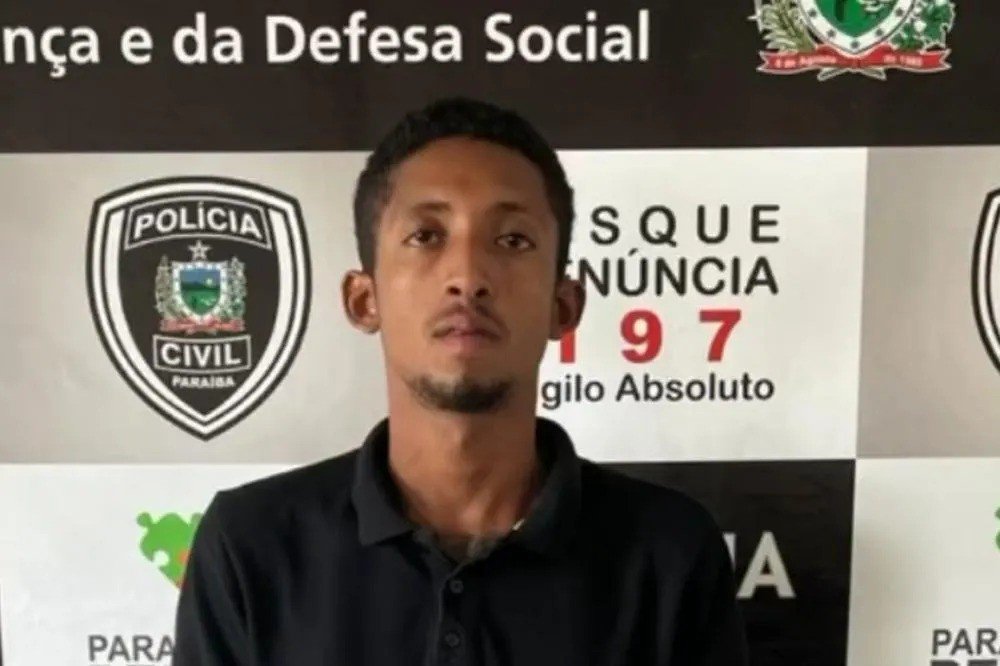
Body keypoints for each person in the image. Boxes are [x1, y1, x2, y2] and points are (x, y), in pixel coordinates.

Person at [172, 97, 749, 665]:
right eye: (426, 235)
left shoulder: (669, 553)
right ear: (364, 299)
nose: (468, 276)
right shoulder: (250, 546)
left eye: (513, 240)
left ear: (563, 307)